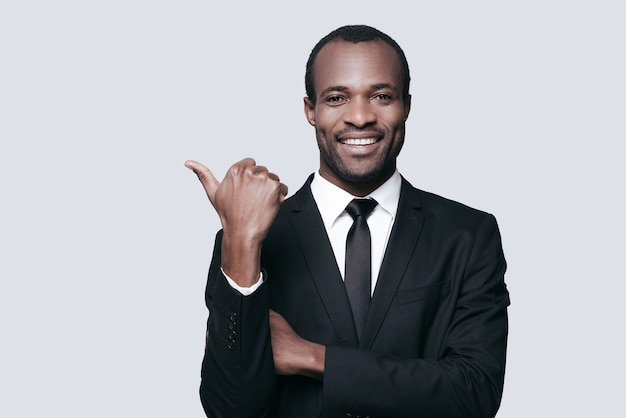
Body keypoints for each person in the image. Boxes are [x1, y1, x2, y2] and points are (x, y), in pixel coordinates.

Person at [185, 24, 510, 418]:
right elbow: (229, 409)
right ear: (311, 110)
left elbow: (475, 394)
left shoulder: (468, 235)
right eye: (337, 97)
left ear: (406, 105)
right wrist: (240, 240)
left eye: (382, 96)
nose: (359, 117)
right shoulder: (246, 239)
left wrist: (311, 357)